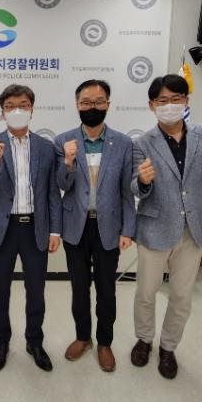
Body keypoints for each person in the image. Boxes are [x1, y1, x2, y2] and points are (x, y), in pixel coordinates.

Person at [130, 74, 202, 379]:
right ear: (152, 105)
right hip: (154, 228)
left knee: (181, 296)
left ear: (186, 101)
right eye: (162, 101)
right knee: (146, 292)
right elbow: (135, 186)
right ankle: (144, 339)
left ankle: (168, 347)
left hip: (192, 230)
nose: (169, 105)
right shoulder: (142, 143)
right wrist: (143, 181)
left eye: (176, 99)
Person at [0, 84, 62, 372]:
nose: (17, 111)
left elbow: (52, 193)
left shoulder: (46, 147)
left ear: (32, 109)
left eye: (23, 105)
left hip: (35, 228)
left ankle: (34, 341)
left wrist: (55, 231)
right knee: (0, 291)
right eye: (10, 106)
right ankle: (1, 342)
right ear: (2, 112)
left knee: (36, 290)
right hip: (3, 229)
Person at [54, 79, 136, 372]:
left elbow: (127, 190)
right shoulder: (63, 141)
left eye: (99, 102)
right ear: (77, 105)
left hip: (109, 227)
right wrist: (68, 161)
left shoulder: (123, 143)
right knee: (79, 288)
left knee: (106, 289)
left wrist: (128, 229)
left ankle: (104, 342)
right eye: (86, 102)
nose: (93, 107)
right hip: (75, 227)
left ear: (108, 105)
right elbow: (61, 185)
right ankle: (82, 337)